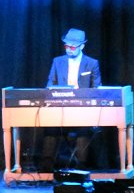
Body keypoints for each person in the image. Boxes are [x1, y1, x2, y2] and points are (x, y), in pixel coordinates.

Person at [42, 28, 104, 170]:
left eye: (72, 46)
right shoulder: (57, 61)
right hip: (60, 106)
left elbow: (97, 88)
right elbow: (50, 83)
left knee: (83, 129)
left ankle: (80, 168)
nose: (68, 49)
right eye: (66, 46)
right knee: (50, 127)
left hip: (82, 109)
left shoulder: (92, 63)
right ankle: (46, 168)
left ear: (82, 46)